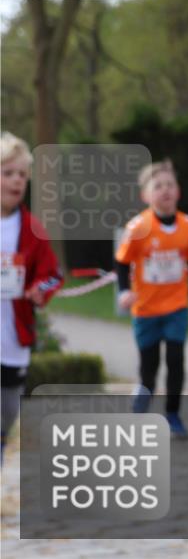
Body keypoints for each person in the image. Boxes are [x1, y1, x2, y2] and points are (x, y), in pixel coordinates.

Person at [115, 160, 188, 438]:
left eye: (169, 185)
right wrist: (124, 291)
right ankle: (143, 397)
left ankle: (172, 414)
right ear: (145, 195)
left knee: (176, 360)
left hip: (175, 306)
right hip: (146, 308)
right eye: (157, 186)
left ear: (178, 191)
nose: (164, 190)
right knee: (149, 367)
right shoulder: (138, 228)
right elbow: (122, 263)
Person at [0, 132, 63, 462]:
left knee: (6, 416)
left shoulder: (33, 229)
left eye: (22, 175)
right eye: (8, 173)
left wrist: (41, 290)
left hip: (13, 339)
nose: (16, 181)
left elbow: (54, 274)